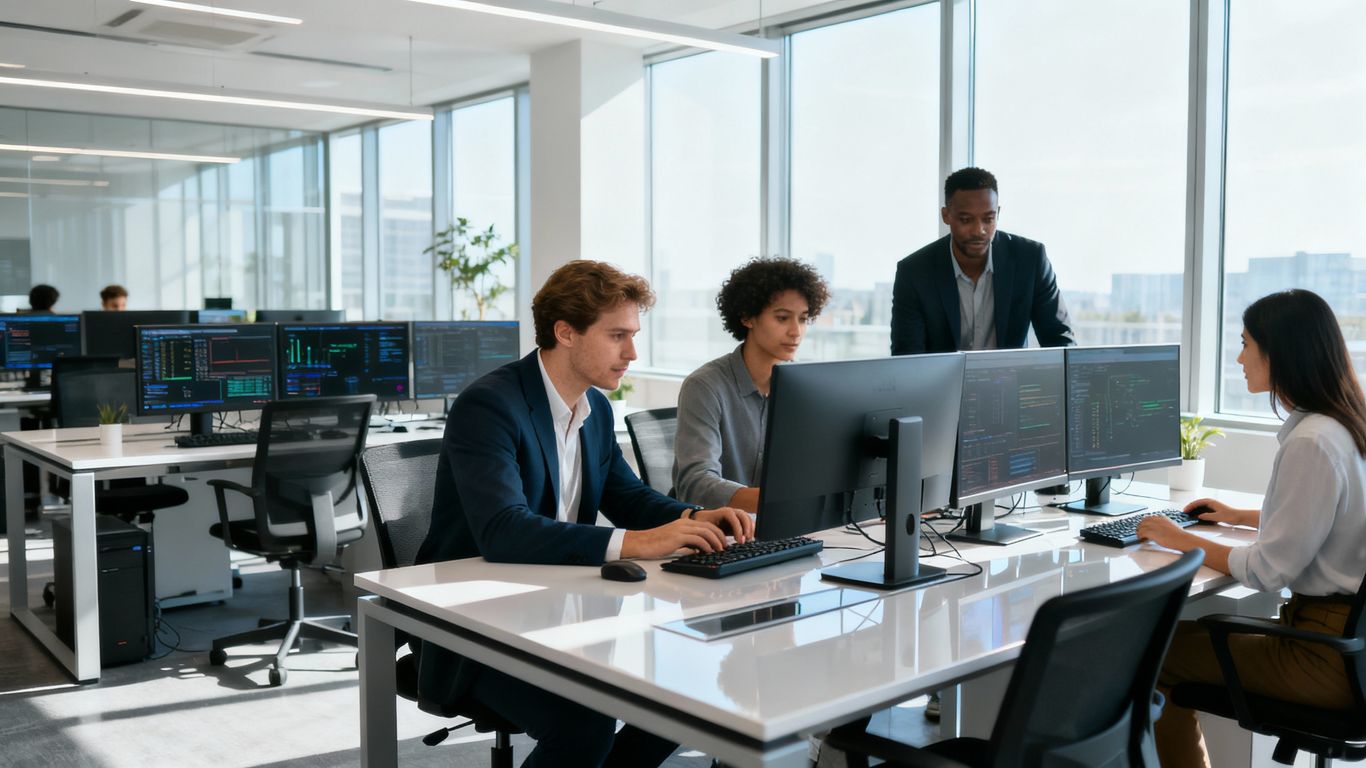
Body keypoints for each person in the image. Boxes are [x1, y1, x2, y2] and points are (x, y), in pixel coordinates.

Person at [414, 259, 755, 768]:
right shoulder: (490, 406)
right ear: (565, 332)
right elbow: (503, 531)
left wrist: (697, 518)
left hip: (563, 611)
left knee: (684, 696)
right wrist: (641, 543)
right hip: (476, 629)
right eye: (618, 335)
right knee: (584, 726)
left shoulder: (594, 412)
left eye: (633, 335)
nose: (632, 353)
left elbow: (632, 499)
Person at [1137, 289, 1366, 767]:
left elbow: (1268, 570)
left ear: (1279, 352)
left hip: (1323, 655)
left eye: (1246, 344)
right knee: (1168, 638)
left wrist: (1180, 538)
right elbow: (1335, 518)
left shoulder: (1313, 442)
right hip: (1347, 645)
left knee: (1146, 657)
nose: (1239, 357)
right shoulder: (1342, 424)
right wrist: (1240, 517)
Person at [673, 257, 830, 513]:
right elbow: (695, 484)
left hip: (779, 529)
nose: (796, 332)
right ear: (747, 317)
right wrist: (782, 501)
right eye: (782, 318)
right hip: (714, 531)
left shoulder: (805, 388)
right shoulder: (705, 386)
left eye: (802, 319)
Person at [890, 167, 1074, 355]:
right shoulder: (914, 272)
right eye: (966, 220)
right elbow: (907, 358)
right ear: (946, 216)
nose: (979, 230)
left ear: (998, 213)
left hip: (1010, 381)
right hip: (941, 383)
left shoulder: (1030, 260)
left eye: (988, 219)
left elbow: (1060, 341)